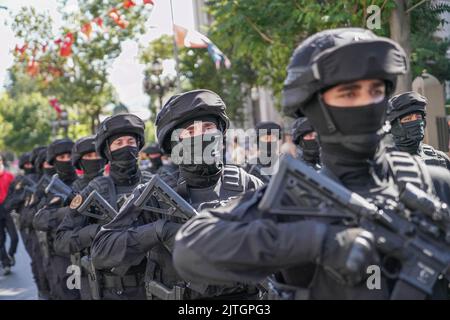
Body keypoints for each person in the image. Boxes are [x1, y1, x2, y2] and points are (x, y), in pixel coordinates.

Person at [172, 28, 450, 300]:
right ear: (313, 107)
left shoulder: (433, 184)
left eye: (376, 90)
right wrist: (319, 240)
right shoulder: (293, 202)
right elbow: (190, 251)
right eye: (349, 93)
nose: (367, 103)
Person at [91, 89, 263, 300]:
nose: (201, 136)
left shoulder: (246, 183)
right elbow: (101, 251)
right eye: (190, 131)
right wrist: (159, 230)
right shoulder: (157, 195)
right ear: (175, 144)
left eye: (208, 127)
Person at [64, 113, 153, 300]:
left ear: (138, 146)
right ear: (108, 150)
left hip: (155, 286)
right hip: (113, 290)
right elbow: (62, 239)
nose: (126, 147)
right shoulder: (95, 190)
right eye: (118, 143)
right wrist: (96, 231)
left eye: (131, 141)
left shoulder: (155, 184)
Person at [54, 135, 106, 299]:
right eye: (88, 156)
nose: (94, 159)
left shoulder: (111, 184)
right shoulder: (74, 189)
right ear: (80, 161)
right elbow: (61, 234)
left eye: (97, 155)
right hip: (83, 262)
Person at [33, 138, 80, 300]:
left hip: (85, 251)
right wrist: (68, 211)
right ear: (54, 161)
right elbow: (38, 219)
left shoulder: (87, 183)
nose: (67, 161)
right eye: (61, 158)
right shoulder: (49, 189)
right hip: (60, 256)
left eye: (69, 156)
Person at [387, 91, 450, 169]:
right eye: (408, 119)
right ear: (393, 126)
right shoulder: (382, 163)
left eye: (418, 117)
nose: (416, 122)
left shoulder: (441, 159)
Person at [0, 154, 16, 275]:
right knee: (1, 240)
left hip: (8, 209)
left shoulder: (9, 176)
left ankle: (10, 255)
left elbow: (15, 192)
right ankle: (5, 264)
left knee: (14, 237)